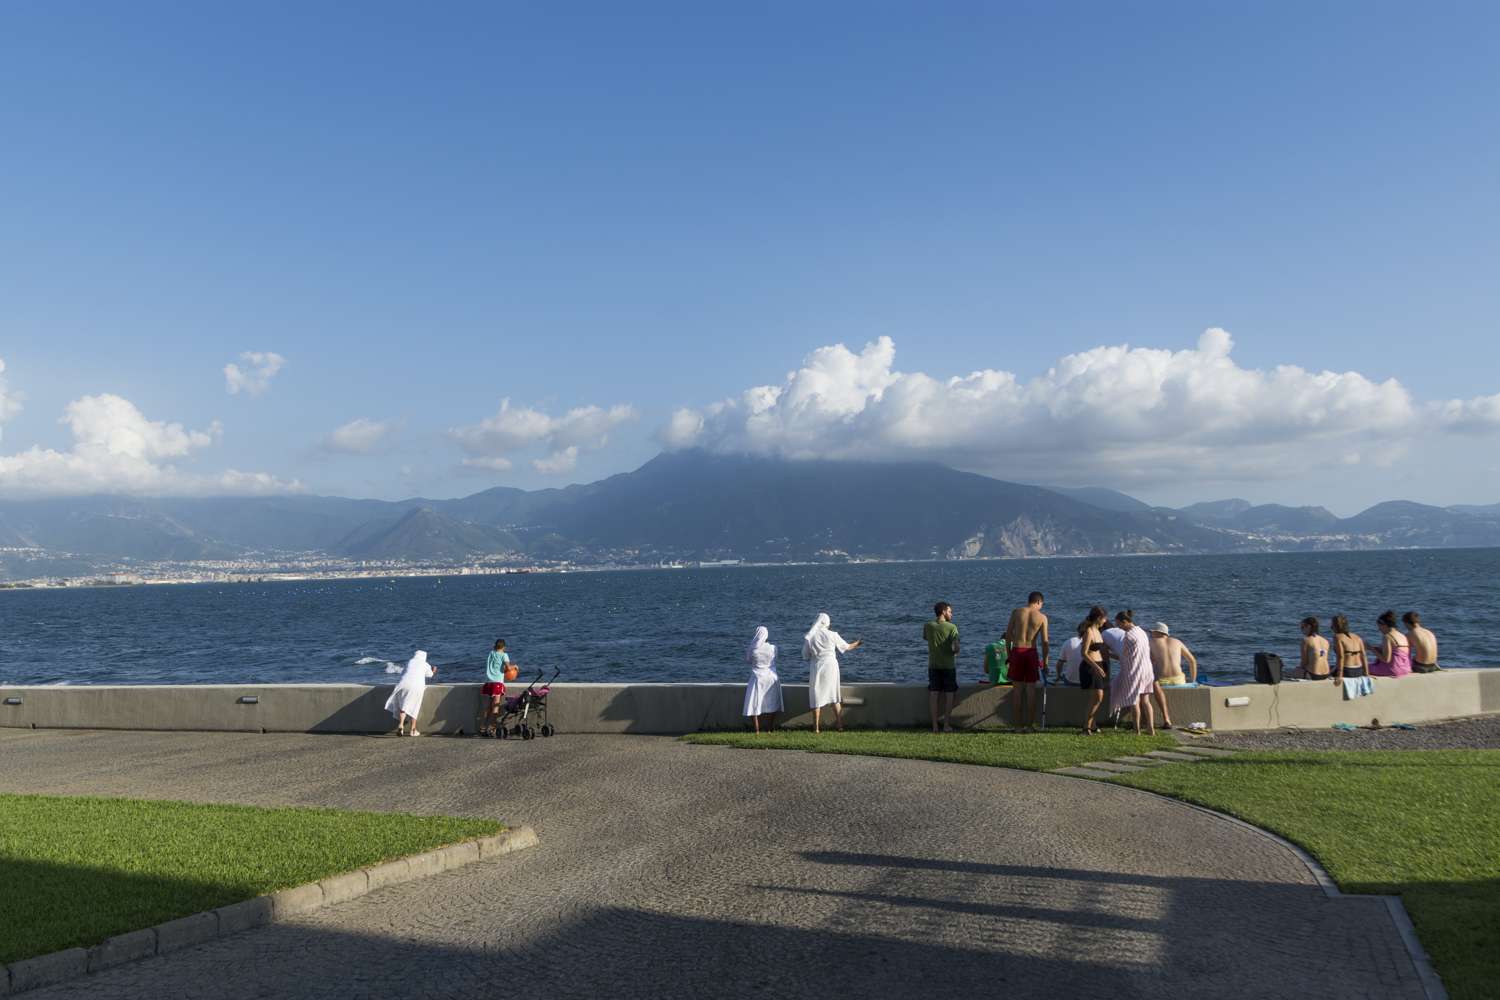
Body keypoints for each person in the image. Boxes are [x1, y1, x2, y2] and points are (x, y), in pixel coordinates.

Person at [803, 613, 862, 733]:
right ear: (827, 623)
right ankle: (839, 725)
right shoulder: (832, 634)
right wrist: (858, 643)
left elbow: (805, 655)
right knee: (834, 695)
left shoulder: (811, 637)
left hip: (817, 667)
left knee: (816, 696)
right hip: (831, 666)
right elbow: (847, 647)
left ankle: (816, 728)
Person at [1003, 591, 1049, 731]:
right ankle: (1029, 726)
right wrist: (1045, 662)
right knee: (1031, 690)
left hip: (1017, 651)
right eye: (1042, 604)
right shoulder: (1042, 617)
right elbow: (1045, 642)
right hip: (1031, 652)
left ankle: (1017, 726)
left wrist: (1010, 654)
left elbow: (1008, 635)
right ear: (1038, 602)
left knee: (1017, 691)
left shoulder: (1016, 612)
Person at [1108, 611, 1156, 736]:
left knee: (1134, 701)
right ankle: (1151, 729)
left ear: (1125, 622)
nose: (1118, 627)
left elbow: (1122, 657)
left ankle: (1137, 730)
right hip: (1147, 670)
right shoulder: (1142, 632)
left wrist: (1107, 654)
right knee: (1146, 701)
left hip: (1135, 671)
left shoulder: (1128, 636)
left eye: (1119, 624)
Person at [1146, 622, 1195, 729]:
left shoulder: (1150, 643)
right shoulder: (1177, 642)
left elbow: (1149, 662)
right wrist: (1193, 681)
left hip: (1162, 681)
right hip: (1179, 680)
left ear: (1157, 632)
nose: (1151, 634)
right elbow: (1192, 661)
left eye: (1152, 632)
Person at [923, 602, 960, 733]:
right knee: (950, 695)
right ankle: (946, 725)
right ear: (943, 612)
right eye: (950, 611)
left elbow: (926, 638)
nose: (951, 614)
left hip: (933, 665)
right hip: (948, 666)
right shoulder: (952, 627)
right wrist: (956, 649)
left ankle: (934, 726)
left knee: (934, 695)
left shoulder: (928, 626)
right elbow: (955, 648)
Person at [742, 626, 782, 734]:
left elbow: (747, 660)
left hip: (757, 678)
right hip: (771, 677)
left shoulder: (752, 649)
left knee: (753, 704)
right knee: (772, 703)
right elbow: (775, 659)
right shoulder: (773, 648)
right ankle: (769, 728)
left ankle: (756, 730)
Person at [385, 650, 435, 736]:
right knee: (415, 706)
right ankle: (413, 730)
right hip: (416, 687)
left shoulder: (410, 661)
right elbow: (429, 675)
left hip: (403, 684)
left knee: (403, 705)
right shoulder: (425, 664)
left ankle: (401, 725)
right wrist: (433, 670)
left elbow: (403, 672)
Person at [1079, 607, 1109, 735]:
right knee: (1098, 697)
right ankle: (1086, 727)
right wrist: (1096, 667)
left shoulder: (1098, 631)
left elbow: (1099, 651)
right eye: (1104, 618)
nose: (1105, 621)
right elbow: (1084, 653)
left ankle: (1092, 724)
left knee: (1096, 698)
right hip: (1090, 667)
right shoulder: (1089, 631)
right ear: (1098, 618)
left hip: (1099, 665)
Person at [480, 639, 514, 737]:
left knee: (488, 707)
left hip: (489, 683)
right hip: (497, 683)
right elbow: (508, 668)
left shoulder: (491, 653)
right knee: (496, 706)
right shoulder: (504, 655)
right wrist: (515, 667)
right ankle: (493, 728)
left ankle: (483, 727)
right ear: (504, 647)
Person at [1369, 610, 1412, 677]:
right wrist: (1377, 649)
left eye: (1379, 627)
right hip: (1406, 668)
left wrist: (1370, 648)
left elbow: (1386, 659)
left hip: (1394, 670)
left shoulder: (1388, 637)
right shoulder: (1402, 636)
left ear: (1384, 625)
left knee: (1364, 667)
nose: (1379, 630)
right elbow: (1397, 653)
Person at [1331, 615, 1367, 684]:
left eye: (1332, 625)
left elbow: (1341, 656)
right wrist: (1366, 674)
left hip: (1347, 671)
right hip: (1359, 670)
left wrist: (1339, 675)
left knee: (1327, 672)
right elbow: (1364, 656)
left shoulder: (1337, 637)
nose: (1331, 627)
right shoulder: (1357, 637)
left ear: (1336, 626)